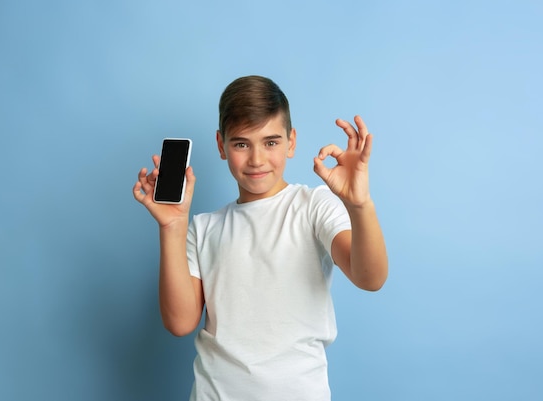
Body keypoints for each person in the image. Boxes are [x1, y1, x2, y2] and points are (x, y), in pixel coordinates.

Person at [133, 75, 388, 401]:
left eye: (271, 142)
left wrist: (359, 205)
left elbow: (371, 277)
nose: (256, 159)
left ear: (291, 141)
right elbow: (180, 323)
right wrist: (172, 228)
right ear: (221, 146)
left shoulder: (313, 206)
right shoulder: (203, 227)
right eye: (241, 143)